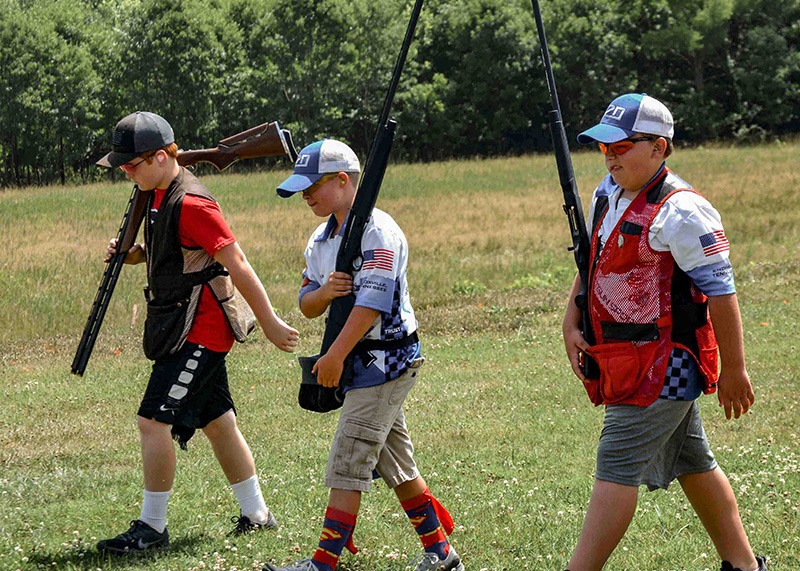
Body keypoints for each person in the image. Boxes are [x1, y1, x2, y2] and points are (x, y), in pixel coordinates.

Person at [561, 93, 767, 571]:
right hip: (623, 358)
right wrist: (571, 317)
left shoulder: (685, 211)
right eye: (603, 147)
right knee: (693, 463)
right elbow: (591, 259)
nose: (610, 155)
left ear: (660, 148)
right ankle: (744, 565)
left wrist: (735, 369)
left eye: (623, 145)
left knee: (615, 466)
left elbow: (722, 292)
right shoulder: (606, 194)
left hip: (665, 364)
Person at [94, 111, 300, 555]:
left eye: (132, 164)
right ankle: (258, 515)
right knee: (218, 422)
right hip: (181, 324)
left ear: (161, 157)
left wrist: (269, 322)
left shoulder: (193, 203)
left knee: (152, 422)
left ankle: (152, 527)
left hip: (198, 329)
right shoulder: (157, 191)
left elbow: (236, 263)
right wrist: (133, 255)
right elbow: (172, 247)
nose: (126, 172)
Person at [263, 139, 463, 571]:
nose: (306, 196)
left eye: (312, 185)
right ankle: (442, 553)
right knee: (397, 466)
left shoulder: (379, 231)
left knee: (348, 458)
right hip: (357, 362)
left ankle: (323, 562)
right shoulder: (321, 238)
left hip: (385, 362)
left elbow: (373, 302)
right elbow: (306, 303)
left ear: (343, 180)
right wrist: (324, 292)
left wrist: (333, 356)